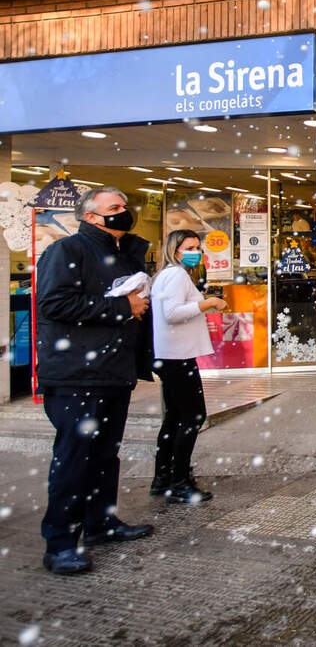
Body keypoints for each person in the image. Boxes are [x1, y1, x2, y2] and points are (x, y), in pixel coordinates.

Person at [35, 187, 155, 574]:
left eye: (124, 206)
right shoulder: (67, 251)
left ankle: (101, 523)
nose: (124, 213)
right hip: (75, 375)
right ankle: (60, 543)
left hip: (111, 374)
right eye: (114, 208)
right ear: (89, 217)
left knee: (105, 455)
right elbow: (55, 303)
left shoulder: (123, 255)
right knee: (74, 459)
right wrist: (124, 306)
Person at [149, 230, 228, 505]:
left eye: (197, 246)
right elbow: (172, 313)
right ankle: (179, 481)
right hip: (177, 357)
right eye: (189, 247)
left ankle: (163, 476)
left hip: (171, 356)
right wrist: (209, 303)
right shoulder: (176, 275)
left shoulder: (167, 275)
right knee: (193, 416)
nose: (195, 251)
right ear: (175, 250)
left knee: (174, 417)